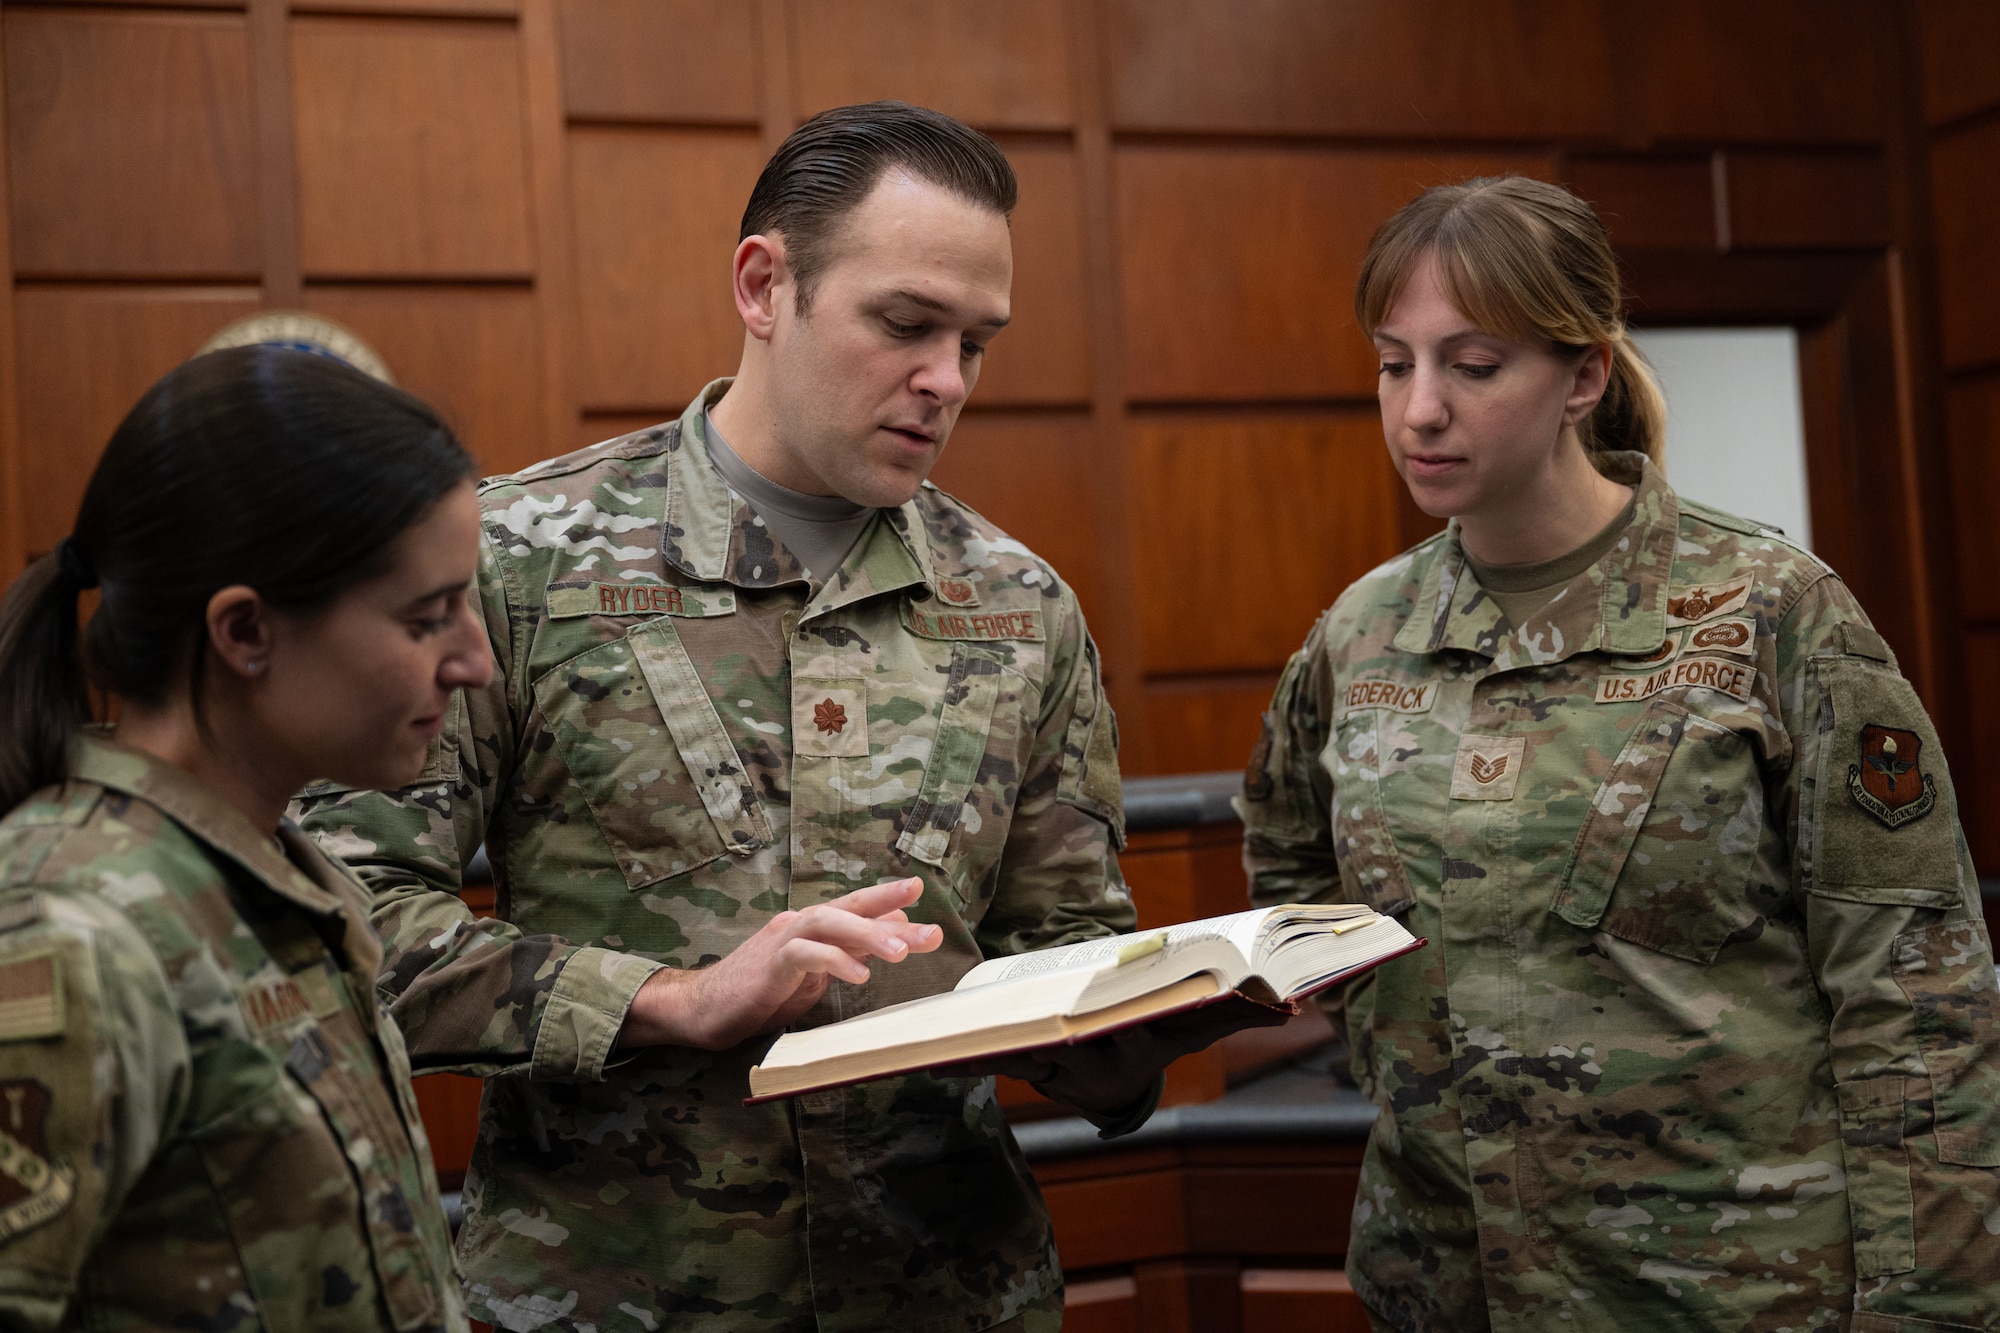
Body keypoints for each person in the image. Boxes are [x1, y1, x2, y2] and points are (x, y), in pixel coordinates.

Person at [294, 101, 1173, 1333]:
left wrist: (1118, 1043)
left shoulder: (1019, 605)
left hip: (946, 1295)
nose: (945, 380)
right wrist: (671, 1001)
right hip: (618, 1297)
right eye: (905, 324)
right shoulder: (517, 562)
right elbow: (337, 926)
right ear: (765, 285)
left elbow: (1065, 937)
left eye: (976, 342)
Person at [1239, 176, 2000, 1332]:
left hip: (1728, 1290)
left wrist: (1929, 1309)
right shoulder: (1360, 633)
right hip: (1453, 1285)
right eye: (1395, 362)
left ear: (1581, 376)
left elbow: (1916, 994)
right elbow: (1292, 881)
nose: (1419, 410)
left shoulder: (1767, 610)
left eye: (1472, 365)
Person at [0, 345, 486, 1329]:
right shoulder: (77, 930)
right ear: (245, 632)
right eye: (428, 619)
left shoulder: (276, 875)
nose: (473, 659)